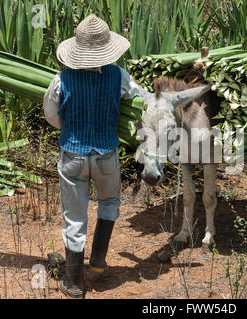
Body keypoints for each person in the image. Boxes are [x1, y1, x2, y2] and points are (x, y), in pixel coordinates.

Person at [42, 14, 144, 299]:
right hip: (107, 154)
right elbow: (137, 96)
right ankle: (98, 261)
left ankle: (74, 282)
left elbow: (51, 115)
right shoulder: (118, 75)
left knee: (74, 217)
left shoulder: (61, 79)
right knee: (110, 201)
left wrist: (73, 128)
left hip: (73, 155)